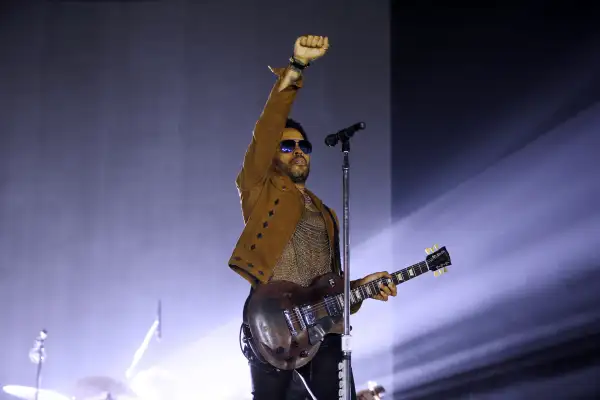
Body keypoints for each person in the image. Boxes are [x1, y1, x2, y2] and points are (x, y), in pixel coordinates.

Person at [228, 35, 397, 400]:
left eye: (304, 146)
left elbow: (329, 285)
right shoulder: (260, 191)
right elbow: (266, 129)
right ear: (272, 156)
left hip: (321, 331)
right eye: (287, 146)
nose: (298, 151)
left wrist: (364, 287)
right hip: (272, 325)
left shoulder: (326, 213)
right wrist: (296, 67)